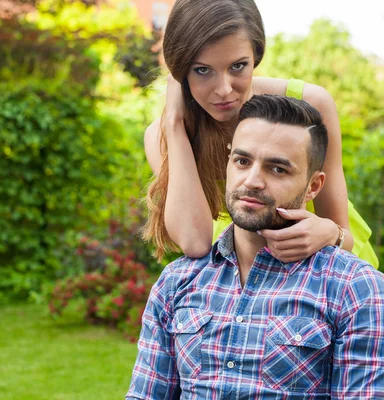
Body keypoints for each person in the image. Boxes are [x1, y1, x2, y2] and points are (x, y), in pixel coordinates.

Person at [126, 95, 384, 399]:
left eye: (277, 169)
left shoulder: (355, 288)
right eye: (242, 161)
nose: (252, 181)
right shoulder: (177, 282)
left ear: (313, 186)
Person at [142, 0, 378, 268]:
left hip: (333, 272)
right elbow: (195, 242)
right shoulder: (167, 136)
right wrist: (174, 122)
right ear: (180, 70)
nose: (224, 90)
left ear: (256, 55)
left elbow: (345, 236)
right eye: (202, 70)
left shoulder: (309, 105)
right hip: (253, 283)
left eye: (238, 66)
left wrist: (329, 233)